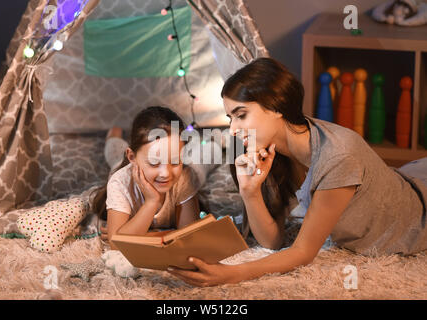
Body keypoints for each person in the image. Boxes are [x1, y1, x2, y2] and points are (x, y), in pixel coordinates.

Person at [167, 57, 427, 287]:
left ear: (277, 107)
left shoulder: (339, 155)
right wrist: (250, 191)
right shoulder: (272, 153)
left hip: (417, 214)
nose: (233, 130)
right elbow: (272, 242)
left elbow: (303, 252)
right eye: (230, 118)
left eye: (241, 115)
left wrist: (233, 274)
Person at [93, 106, 201, 250]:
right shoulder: (120, 181)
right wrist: (152, 201)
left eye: (175, 161)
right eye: (154, 162)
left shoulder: (184, 177)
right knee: (114, 152)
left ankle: (214, 143)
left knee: (202, 163)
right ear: (132, 157)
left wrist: (139, 236)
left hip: (188, 168)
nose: (166, 173)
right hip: (122, 164)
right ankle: (114, 133)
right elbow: (117, 245)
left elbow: (190, 236)